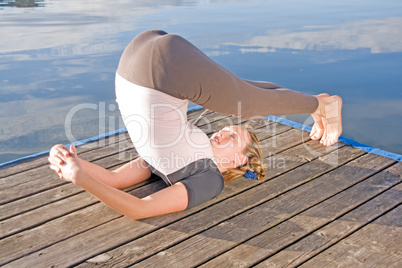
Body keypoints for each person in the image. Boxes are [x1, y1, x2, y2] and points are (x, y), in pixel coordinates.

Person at [48, 30, 342, 219]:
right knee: (243, 96)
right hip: (163, 65)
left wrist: (73, 165)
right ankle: (318, 103)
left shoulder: (205, 178)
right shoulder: (193, 163)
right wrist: (79, 175)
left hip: (134, 62)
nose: (222, 130)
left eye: (231, 136)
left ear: (240, 159)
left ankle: (321, 103)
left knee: (246, 100)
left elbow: (133, 201)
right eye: (226, 130)